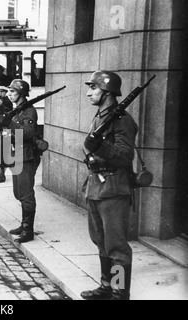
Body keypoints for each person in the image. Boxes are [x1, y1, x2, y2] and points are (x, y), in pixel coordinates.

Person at [80, 71, 137, 301]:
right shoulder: (101, 116)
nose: (88, 92)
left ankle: (120, 293)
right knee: (101, 241)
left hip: (113, 188)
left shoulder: (123, 120)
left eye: (93, 88)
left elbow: (125, 156)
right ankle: (106, 286)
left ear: (107, 91)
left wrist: (99, 147)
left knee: (116, 246)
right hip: (96, 186)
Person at [7, 79, 41, 243]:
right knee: (18, 192)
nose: (9, 94)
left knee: (26, 193)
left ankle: (28, 230)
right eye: (9, 91)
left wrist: (10, 124)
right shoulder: (17, 110)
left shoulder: (29, 111)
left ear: (21, 93)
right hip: (16, 155)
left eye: (13, 92)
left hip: (26, 156)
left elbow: (27, 133)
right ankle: (24, 223)